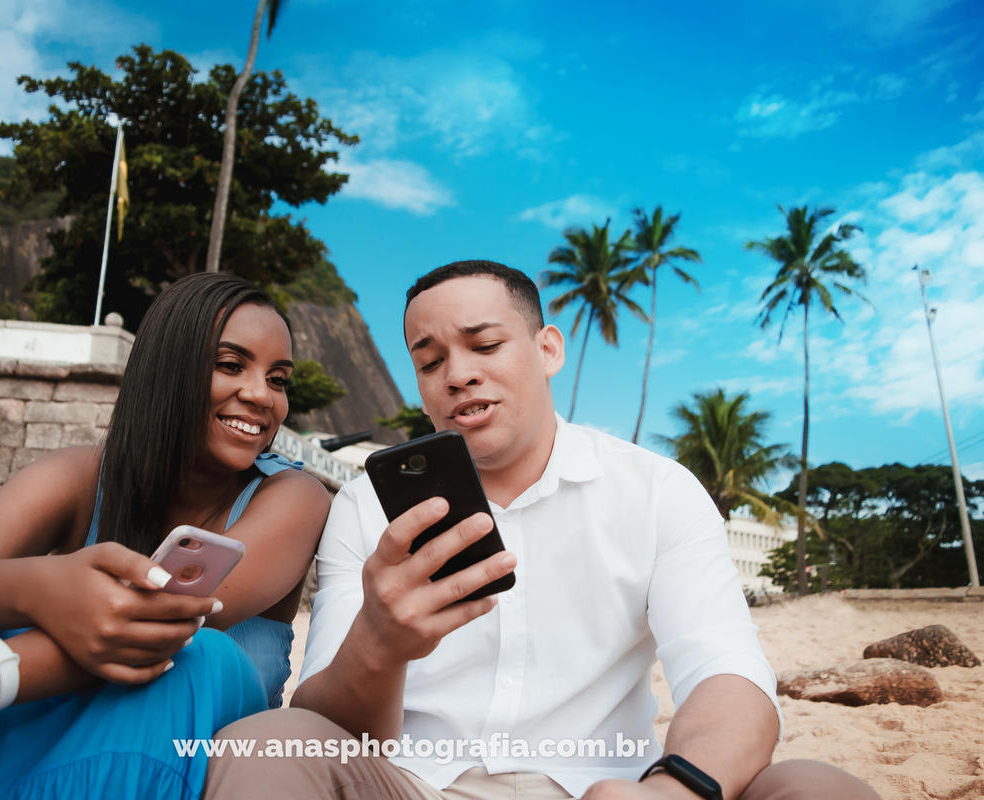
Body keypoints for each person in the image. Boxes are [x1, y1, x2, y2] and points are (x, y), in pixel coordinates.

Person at [202, 261, 879, 800]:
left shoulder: (654, 491)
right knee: (264, 744)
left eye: (485, 344)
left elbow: (727, 672)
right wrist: (379, 646)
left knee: (820, 787)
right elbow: (324, 721)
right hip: (411, 785)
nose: (458, 373)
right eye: (429, 360)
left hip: (608, 788)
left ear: (548, 347)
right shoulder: (364, 506)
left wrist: (676, 789)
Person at [0, 272, 332, 799]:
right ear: (168, 368)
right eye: (231, 365)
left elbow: (159, 625)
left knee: (200, 652)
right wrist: (44, 587)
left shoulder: (294, 497)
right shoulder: (81, 476)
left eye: (278, 379)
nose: (261, 395)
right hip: (48, 716)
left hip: (188, 744)